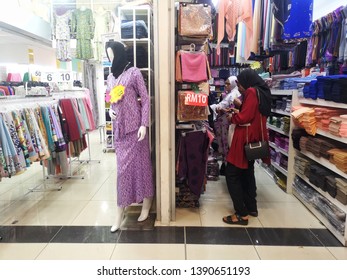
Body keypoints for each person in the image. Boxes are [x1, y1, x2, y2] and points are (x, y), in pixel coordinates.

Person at [105, 41, 154, 233]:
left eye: (111, 54)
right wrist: (110, 111)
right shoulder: (110, 76)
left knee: (142, 168)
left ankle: (147, 203)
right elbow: (110, 97)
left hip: (136, 131)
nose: (110, 58)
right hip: (119, 131)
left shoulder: (133, 72)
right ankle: (119, 213)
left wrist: (144, 124)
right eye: (107, 54)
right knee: (122, 173)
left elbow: (146, 98)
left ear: (118, 53)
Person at [222, 68, 270, 225]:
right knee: (248, 173)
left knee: (232, 174)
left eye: (240, 85)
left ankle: (241, 214)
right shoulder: (261, 91)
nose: (239, 88)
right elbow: (254, 113)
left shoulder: (251, 91)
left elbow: (244, 117)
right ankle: (251, 207)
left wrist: (233, 116)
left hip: (244, 138)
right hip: (253, 137)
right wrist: (241, 106)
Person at [210, 76, 241, 174]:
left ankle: (228, 168)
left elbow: (232, 110)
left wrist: (222, 109)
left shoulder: (234, 94)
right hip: (224, 124)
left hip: (227, 125)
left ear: (233, 84)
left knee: (227, 145)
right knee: (225, 145)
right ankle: (226, 166)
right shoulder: (231, 93)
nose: (225, 85)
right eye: (226, 83)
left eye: (228, 84)